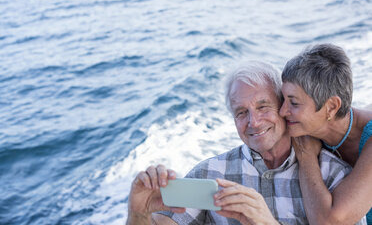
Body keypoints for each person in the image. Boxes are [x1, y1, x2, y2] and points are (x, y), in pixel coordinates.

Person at [126, 61, 365, 225]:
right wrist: (138, 211)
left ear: (283, 107)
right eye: (241, 112)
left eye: (263, 107)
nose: (254, 122)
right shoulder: (209, 174)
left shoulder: (333, 176)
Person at [279, 43, 372, 225]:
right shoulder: (306, 131)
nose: (282, 111)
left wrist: (306, 157)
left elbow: (330, 222)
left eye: (294, 103)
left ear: (331, 107)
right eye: (283, 99)